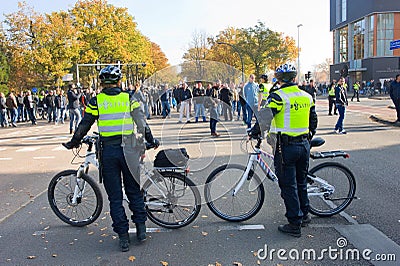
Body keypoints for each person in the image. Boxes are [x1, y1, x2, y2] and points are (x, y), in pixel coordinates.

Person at [63, 66, 159, 252]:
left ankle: (123, 237)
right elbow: (142, 123)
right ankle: (141, 230)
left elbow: (84, 124)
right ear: (118, 81)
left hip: (109, 152)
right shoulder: (129, 98)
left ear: (102, 83)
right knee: (134, 192)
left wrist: (74, 142)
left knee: (115, 197)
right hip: (129, 151)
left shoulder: (96, 101)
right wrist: (151, 140)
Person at [250, 63, 317, 237]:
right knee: (301, 181)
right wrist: (307, 137)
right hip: (303, 145)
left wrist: (254, 132)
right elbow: (313, 121)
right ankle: (305, 214)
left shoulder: (278, 97)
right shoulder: (307, 96)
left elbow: (265, 118)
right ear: (294, 78)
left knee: (288, 185)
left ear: (278, 80)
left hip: (285, 147)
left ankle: (294, 223)